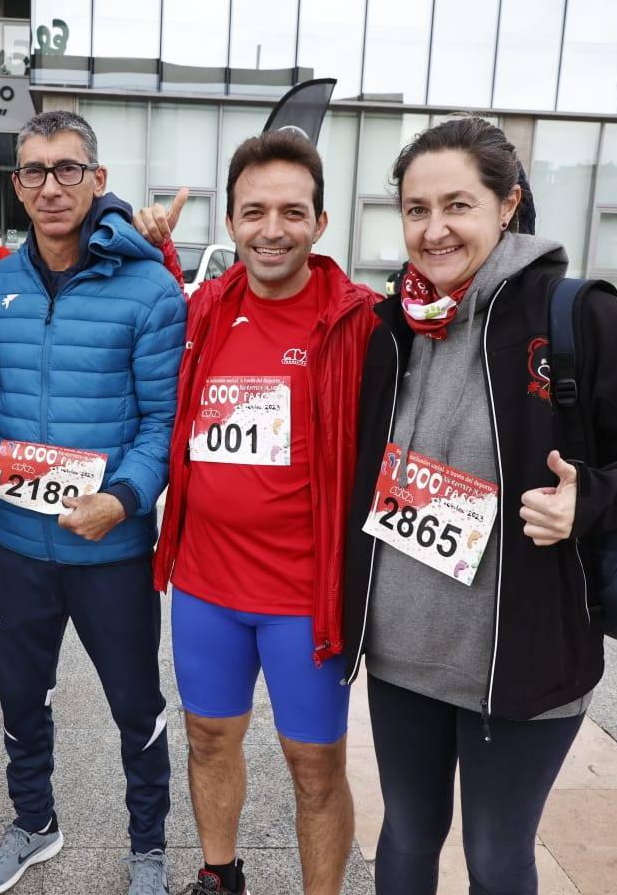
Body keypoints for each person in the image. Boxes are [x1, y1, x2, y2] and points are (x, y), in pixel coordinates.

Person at [338, 117, 617, 895]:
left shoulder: (576, 316)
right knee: (405, 840)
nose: (434, 230)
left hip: (523, 658)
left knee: (498, 858)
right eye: (416, 209)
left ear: (507, 206)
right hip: (400, 653)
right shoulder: (389, 325)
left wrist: (592, 498)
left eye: (458, 205)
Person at [0, 110, 186, 895]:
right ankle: (33, 822)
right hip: (21, 550)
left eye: (67, 168)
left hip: (112, 550)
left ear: (98, 180)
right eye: (32, 172)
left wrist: (123, 498)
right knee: (20, 704)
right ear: (16, 187)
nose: (50, 186)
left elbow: (161, 422)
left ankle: (147, 848)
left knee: (136, 709)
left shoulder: (149, 286)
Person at [132, 131, 376, 895]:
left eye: (292, 212)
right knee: (208, 738)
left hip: (305, 598)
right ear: (231, 223)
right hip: (206, 584)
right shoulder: (202, 310)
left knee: (313, 766)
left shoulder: (360, 320)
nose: (273, 229)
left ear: (321, 223)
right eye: (254, 211)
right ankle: (218, 873)